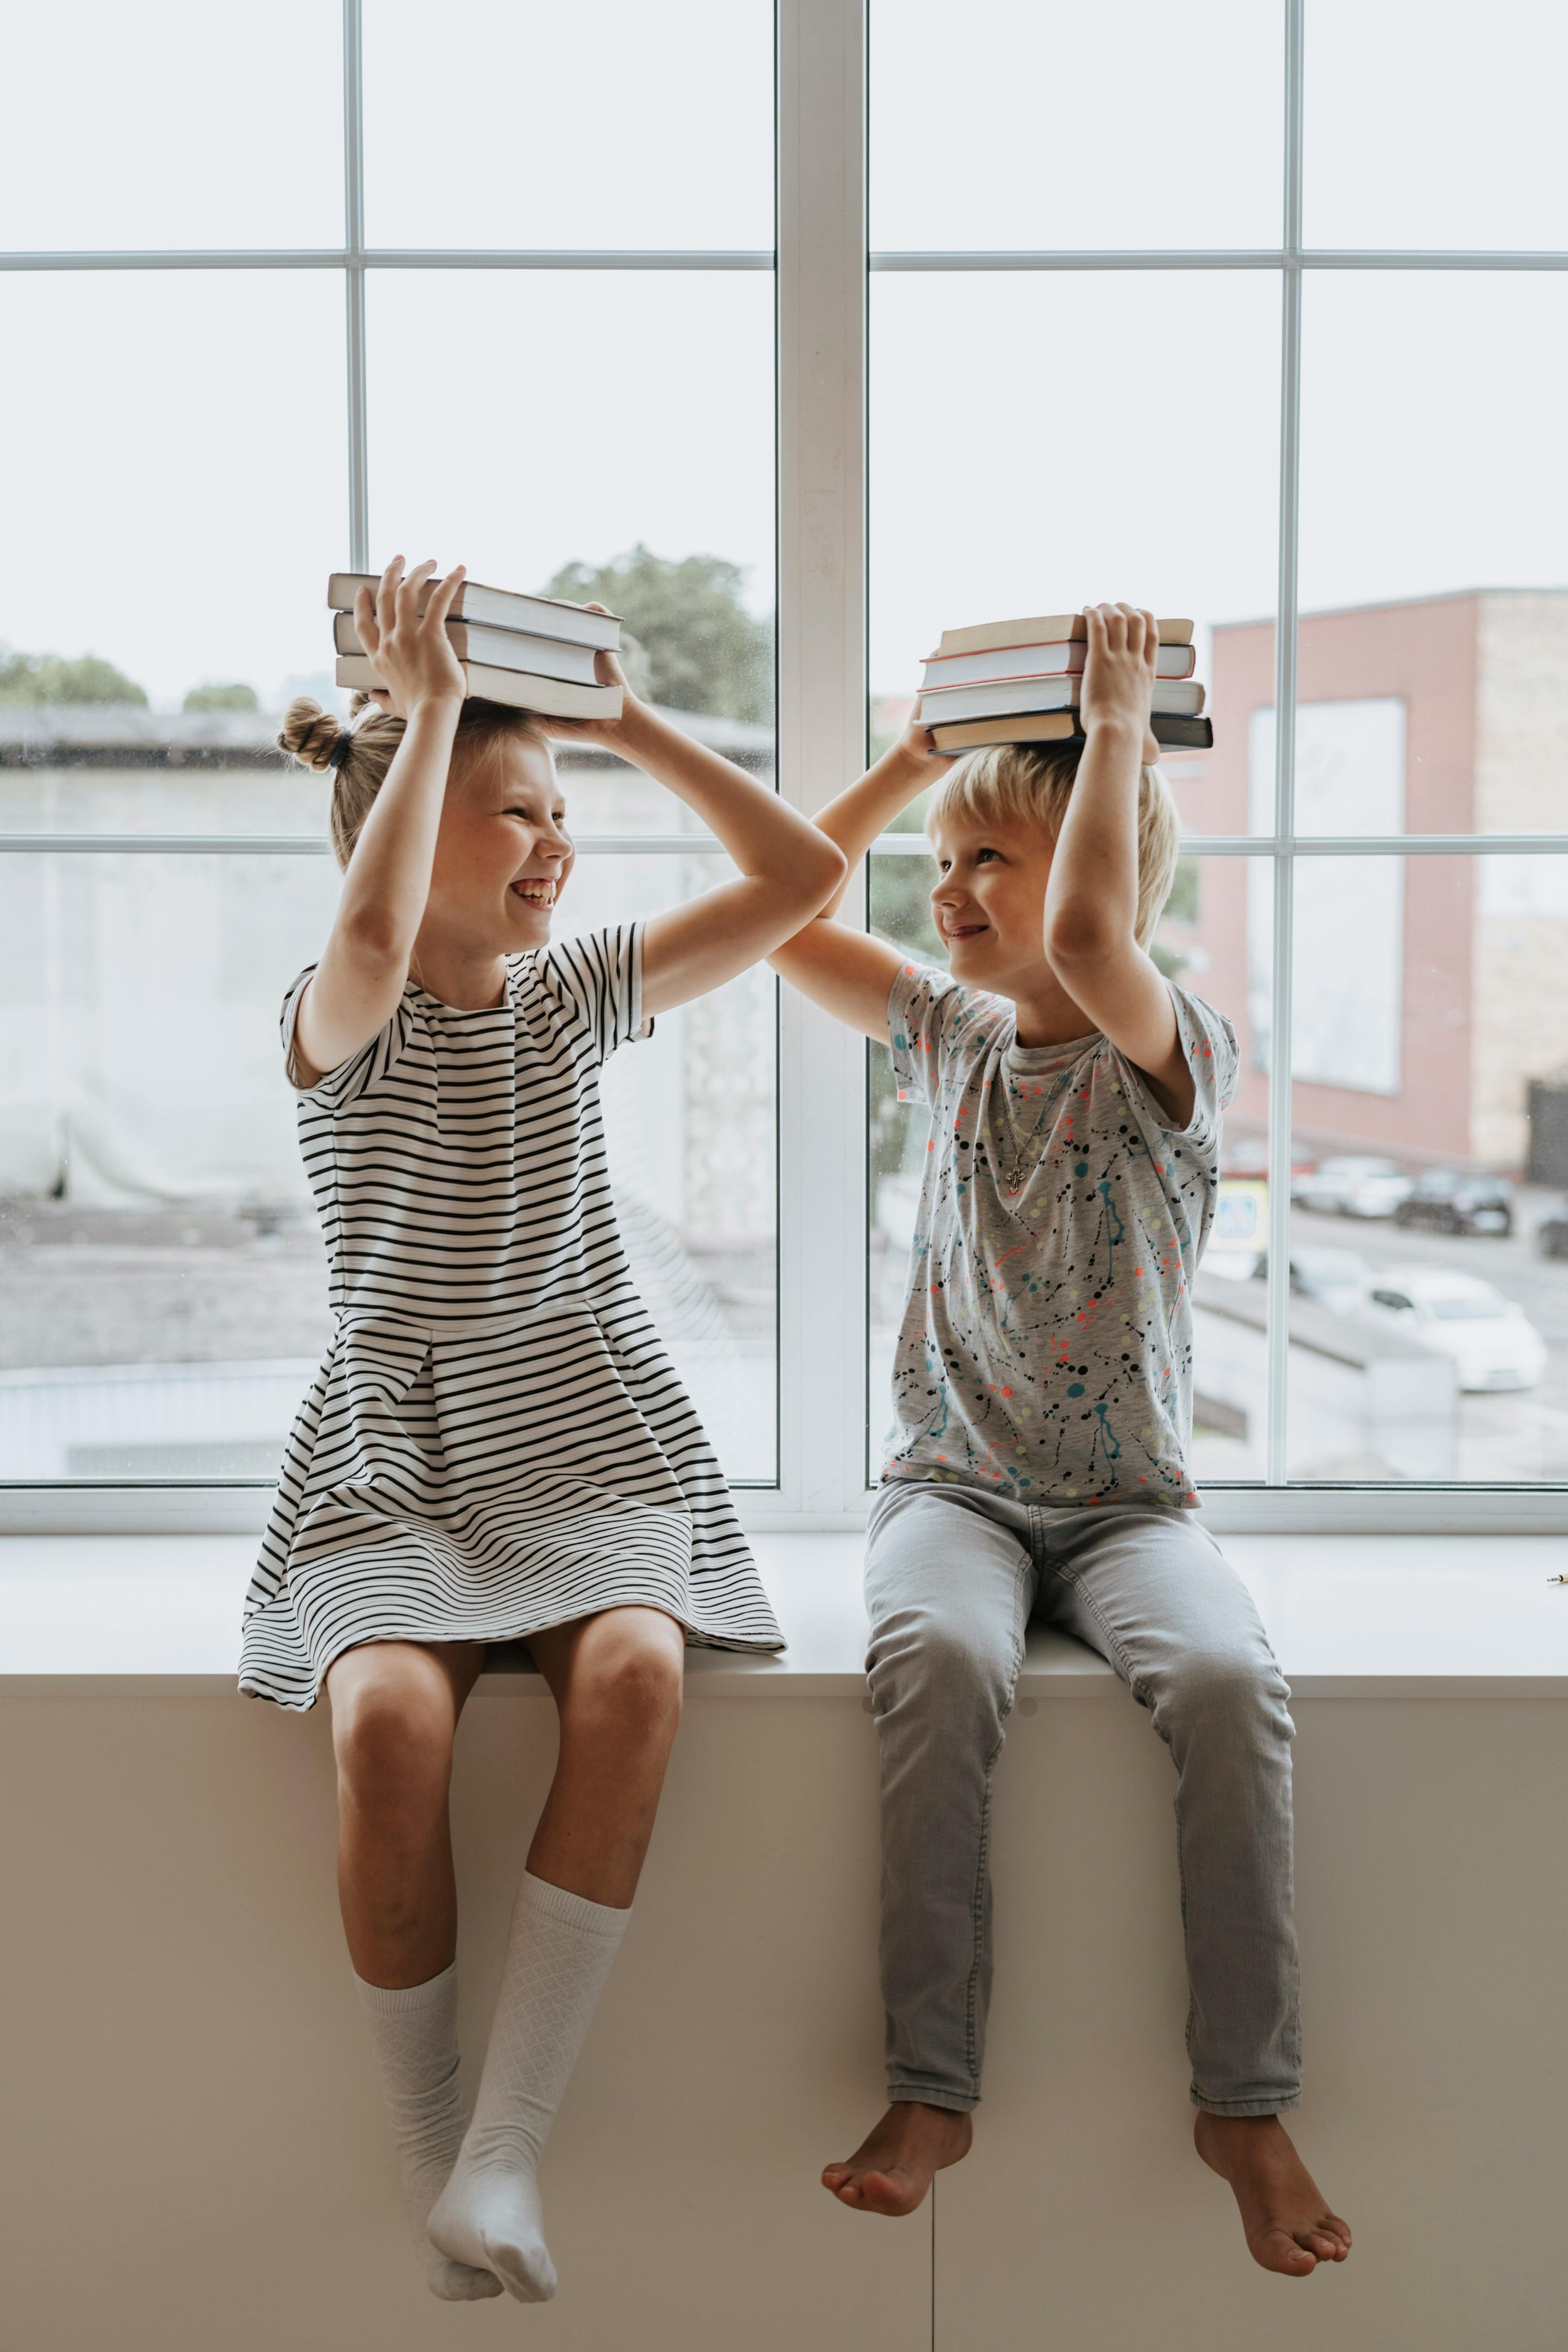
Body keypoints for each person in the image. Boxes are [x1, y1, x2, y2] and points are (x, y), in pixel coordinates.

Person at [238, 557, 845, 2304]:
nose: (554, 843)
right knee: (391, 1735)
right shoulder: (335, 1016)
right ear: (404, 830)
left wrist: (623, 718)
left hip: (581, 1416)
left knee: (639, 1678)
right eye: (514, 814)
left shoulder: (575, 995)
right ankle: (433, 2153)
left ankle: (508, 2145)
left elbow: (799, 880)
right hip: (397, 1441)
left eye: (560, 812)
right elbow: (368, 939)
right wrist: (430, 707)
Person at [769, 605, 1352, 2278]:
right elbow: (782, 909)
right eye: (945, 861)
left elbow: (1093, 933)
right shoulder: (945, 1035)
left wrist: (1109, 731)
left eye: (989, 862)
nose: (949, 891)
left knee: (1234, 1687)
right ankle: (930, 2085)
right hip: (951, 1492)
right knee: (937, 1663)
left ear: (1101, 862)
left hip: (1126, 1512)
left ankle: (1240, 2097)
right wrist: (911, 762)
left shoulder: (1170, 1049)